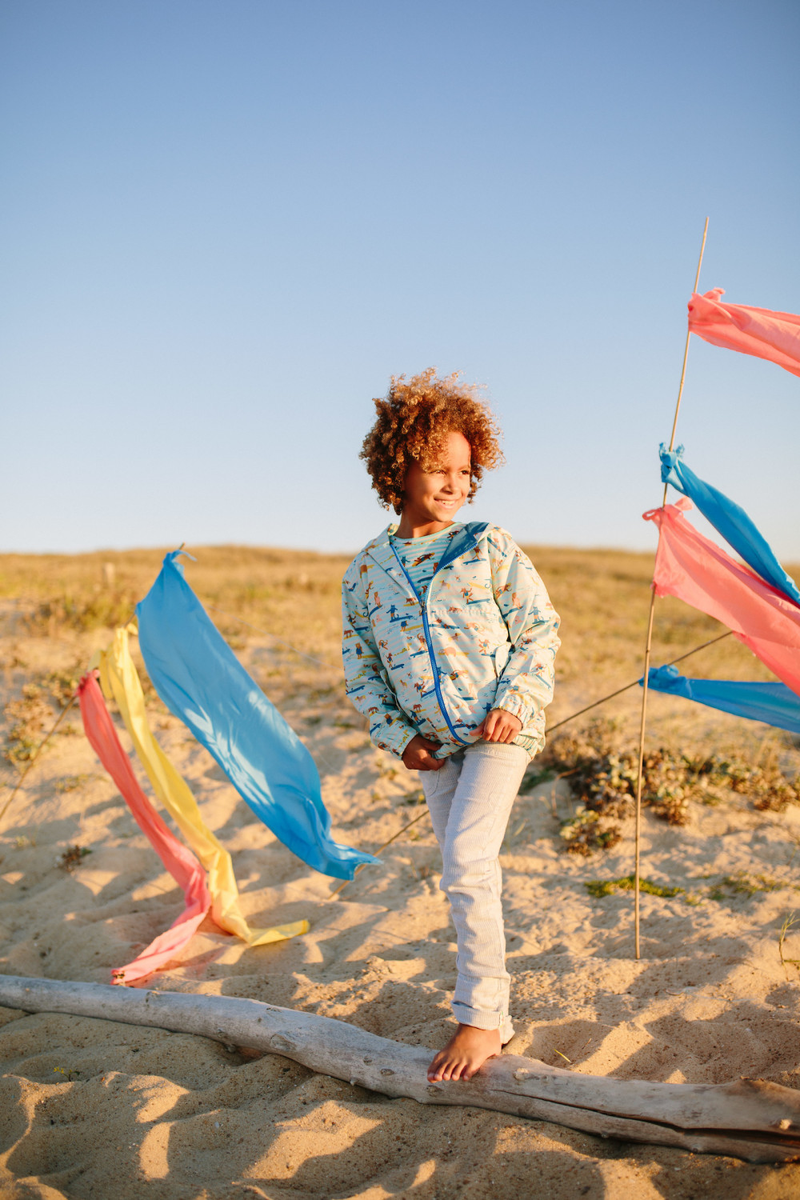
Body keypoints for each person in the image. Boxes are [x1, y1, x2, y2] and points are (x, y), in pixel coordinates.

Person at [341, 369, 560, 1082]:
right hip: (435, 750)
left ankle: (480, 1020)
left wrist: (516, 703)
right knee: (463, 874)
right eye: (438, 467)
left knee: (467, 863)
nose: (454, 482)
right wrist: (397, 737)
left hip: (500, 735)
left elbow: (539, 631)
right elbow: (363, 669)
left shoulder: (487, 546)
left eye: (466, 470)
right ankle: (491, 1012)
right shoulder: (367, 572)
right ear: (396, 466)